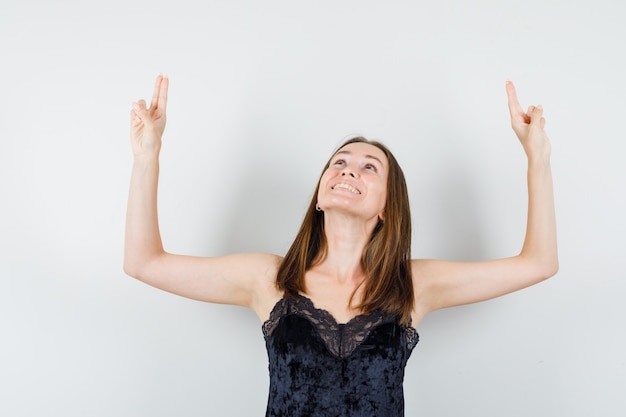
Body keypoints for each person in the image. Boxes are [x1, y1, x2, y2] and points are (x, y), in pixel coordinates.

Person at [124, 75, 558, 416]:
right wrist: (147, 157)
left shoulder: (413, 285)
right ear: (319, 194)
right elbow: (144, 263)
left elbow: (538, 263)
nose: (349, 171)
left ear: (388, 206)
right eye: (340, 163)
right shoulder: (268, 279)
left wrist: (537, 157)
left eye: (370, 167)